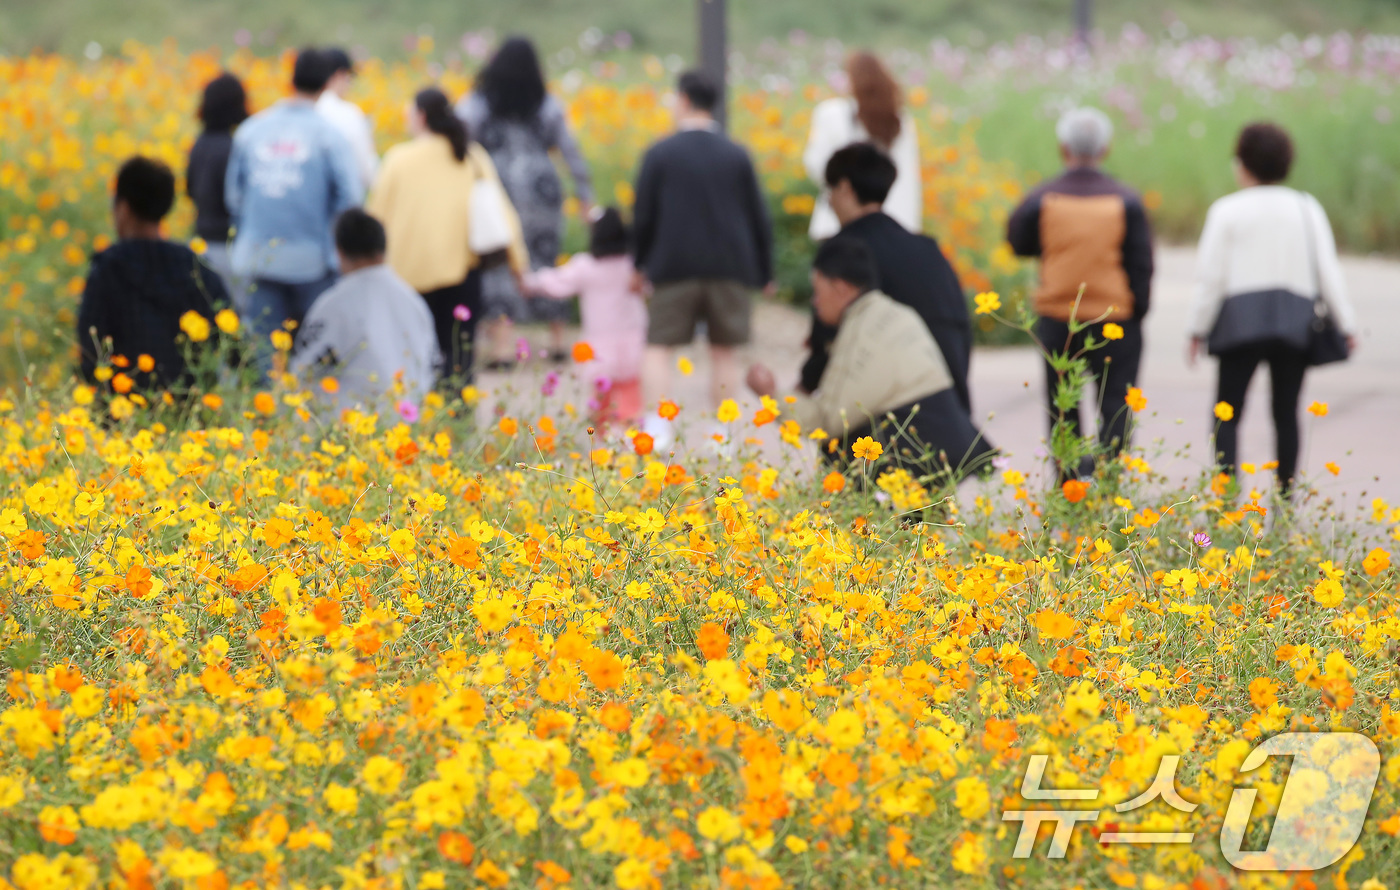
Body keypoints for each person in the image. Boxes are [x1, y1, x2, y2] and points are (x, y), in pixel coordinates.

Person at [1188, 122, 1359, 495]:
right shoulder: (1306, 207)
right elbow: (1328, 271)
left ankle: (1227, 500)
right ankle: (1284, 503)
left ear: (1243, 164)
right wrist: (1346, 323)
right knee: (1286, 414)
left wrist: (1197, 329)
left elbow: (1210, 279)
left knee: (1226, 414)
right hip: (1293, 322)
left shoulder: (1226, 210)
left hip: (1238, 324)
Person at [747, 238, 993, 481]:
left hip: (917, 450)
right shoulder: (895, 312)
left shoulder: (860, 330)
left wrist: (771, 395)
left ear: (840, 288)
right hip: (955, 440)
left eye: (818, 292)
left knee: (841, 451)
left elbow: (827, 423)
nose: (815, 302)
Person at [1007, 106, 1154, 478]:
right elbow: (1141, 263)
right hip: (1115, 320)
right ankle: (1107, 482)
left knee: (1062, 407)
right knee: (1116, 405)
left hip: (1060, 319)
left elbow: (1017, 240)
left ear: (1063, 148)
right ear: (1105, 149)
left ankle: (1069, 485)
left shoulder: (1043, 198)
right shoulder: (1125, 200)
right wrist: (1139, 312)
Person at [633, 70, 773, 450]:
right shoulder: (736, 153)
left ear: (682, 100)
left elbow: (643, 215)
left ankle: (657, 430)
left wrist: (637, 264)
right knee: (723, 350)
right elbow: (758, 216)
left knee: (658, 347)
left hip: (672, 265)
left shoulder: (660, 153)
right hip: (730, 266)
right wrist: (765, 271)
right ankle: (724, 433)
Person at [368, 86, 527, 385]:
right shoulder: (471, 155)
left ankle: (417, 419)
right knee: (459, 357)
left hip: (408, 278)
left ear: (421, 116)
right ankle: (458, 419)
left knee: (413, 356)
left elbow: (375, 219)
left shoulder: (398, 160)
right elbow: (503, 215)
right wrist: (519, 264)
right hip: (462, 275)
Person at [800, 143, 973, 412]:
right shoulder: (927, 248)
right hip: (950, 397)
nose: (830, 201)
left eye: (829, 191)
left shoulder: (842, 252)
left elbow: (828, 338)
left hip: (891, 415)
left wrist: (796, 396)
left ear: (844, 188)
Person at [457, 37, 595, 368]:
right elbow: (570, 150)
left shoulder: (478, 102)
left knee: (499, 263)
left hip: (495, 190)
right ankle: (559, 341)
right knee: (545, 258)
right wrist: (585, 195)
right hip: (542, 190)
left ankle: (503, 348)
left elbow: (460, 139)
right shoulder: (546, 103)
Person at [225, 47, 363, 375]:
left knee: (262, 360)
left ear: (292, 78)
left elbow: (233, 197)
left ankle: (264, 422)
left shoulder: (252, 130)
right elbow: (351, 198)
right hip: (312, 263)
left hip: (256, 259)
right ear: (326, 84)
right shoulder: (330, 135)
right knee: (315, 362)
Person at [77, 157, 228, 392]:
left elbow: (90, 345)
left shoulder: (108, 268)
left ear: (123, 207)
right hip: (189, 408)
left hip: (120, 408)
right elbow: (230, 339)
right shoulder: (197, 269)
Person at [290, 209, 439, 414]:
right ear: (384, 248)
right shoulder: (414, 302)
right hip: (411, 422)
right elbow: (433, 368)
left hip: (352, 429)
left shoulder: (333, 305)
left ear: (339, 251)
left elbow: (302, 374)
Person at [523, 208, 644, 426]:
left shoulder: (586, 266)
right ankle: (632, 436)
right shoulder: (632, 264)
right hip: (633, 338)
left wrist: (529, 282)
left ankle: (600, 441)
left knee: (600, 398)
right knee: (630, 392)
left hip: (600, 343)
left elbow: (556, 282)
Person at [803, 51, 922, 241]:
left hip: (840, 225)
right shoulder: (900, 121)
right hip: (895, 225)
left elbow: (816, 165)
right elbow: (910, 178)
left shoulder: (832, 114)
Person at [186, 71, 249, 309]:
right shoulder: (234, 148)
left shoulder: (198, 145)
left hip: (199, 244)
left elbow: (190, 191)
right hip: (228, 248)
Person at [316, 47, 380, 192]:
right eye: (349, 78)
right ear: (340, 74)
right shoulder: (349, 114)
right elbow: (367, 170)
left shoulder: (307, 109)